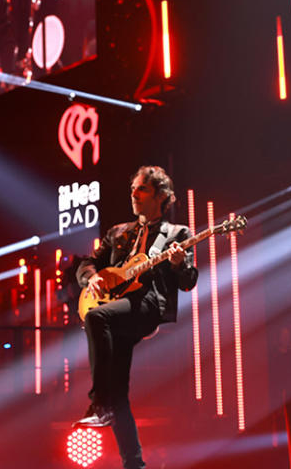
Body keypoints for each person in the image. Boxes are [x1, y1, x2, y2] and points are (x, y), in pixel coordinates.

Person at [74, 166, 198, 469]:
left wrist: (180, 264)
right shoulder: (119, 233)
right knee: (118, 392)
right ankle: (135, 464)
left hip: (147, 304)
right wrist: (91, 279)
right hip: (117, 305)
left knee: (97, 319)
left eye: (141, 189)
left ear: (161, 196)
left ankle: (97, 403)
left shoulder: (177, 234)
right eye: (133, 189)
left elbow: (188, 282)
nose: (134, 194)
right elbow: (87, 263)